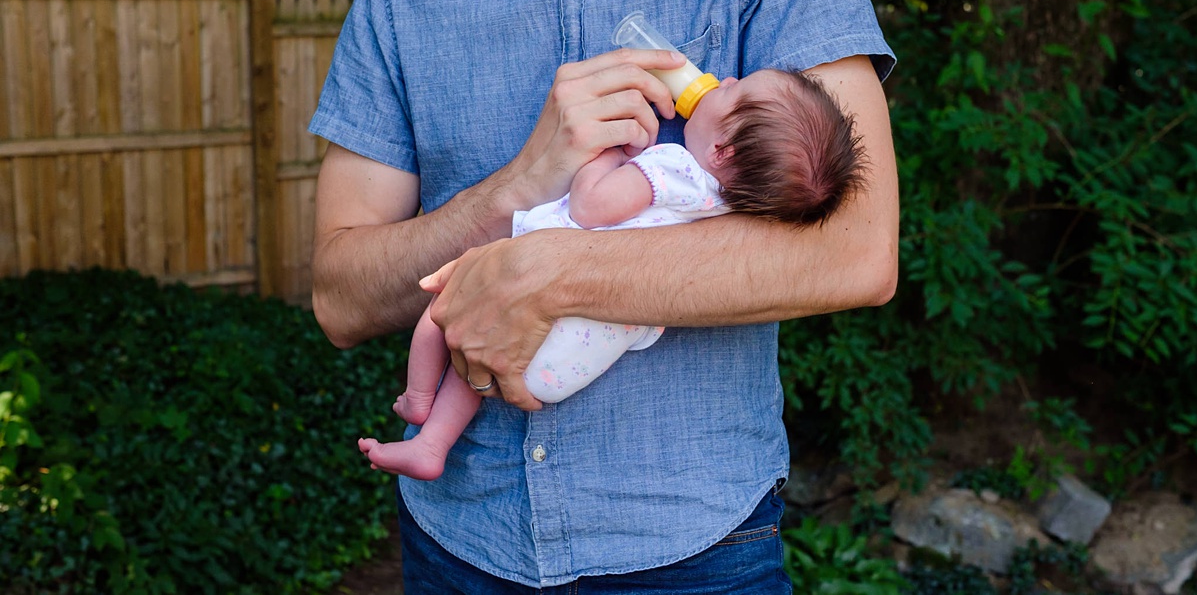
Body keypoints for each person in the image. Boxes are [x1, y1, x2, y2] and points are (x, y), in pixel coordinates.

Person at [308, 0, 899, 591]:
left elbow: (856, 252)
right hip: (459, 548)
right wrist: (517, 187)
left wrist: (548, 275)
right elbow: (340, 299)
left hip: (699, 555)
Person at [358, 68, 866, 480]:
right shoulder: (726, 212)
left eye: (736, 91)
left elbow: (591, 207)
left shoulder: (673, 167)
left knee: (445, 313)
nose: (725, 80)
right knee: (481, 358)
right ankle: (432, 446)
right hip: (575, 361)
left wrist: (607, 158)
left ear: (722, 152)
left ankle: (418, 400)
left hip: (556, 312)